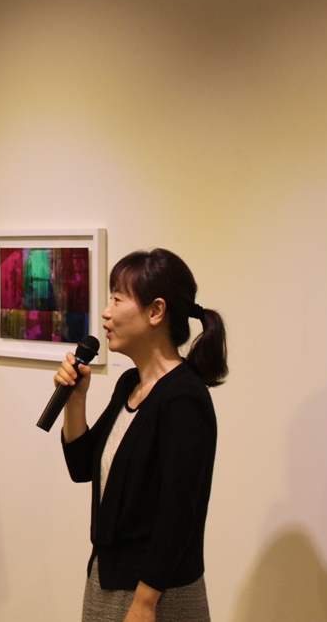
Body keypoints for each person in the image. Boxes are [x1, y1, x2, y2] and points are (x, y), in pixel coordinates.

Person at [55, 248, 227, 622]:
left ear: (156, 311)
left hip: (156, 593)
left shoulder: (183, 398)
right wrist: (76, 400)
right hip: (108, 576)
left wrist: (145, 602)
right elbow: (82, 467)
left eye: (118, 299)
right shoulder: (130, 384)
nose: (106, 312)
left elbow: (177, 513)